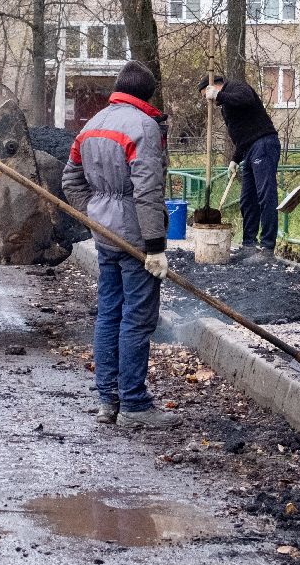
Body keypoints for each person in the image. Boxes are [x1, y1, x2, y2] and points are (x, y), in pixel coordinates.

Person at [62, 61, 179, 429]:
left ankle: (107, 401)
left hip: (106, 235)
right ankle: (134, 404)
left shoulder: (93, 124)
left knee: (109, 312)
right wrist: (156, 245)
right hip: (135, 235)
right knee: (137, 317)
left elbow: (71, 180)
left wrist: (95, 215)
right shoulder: (142, 126)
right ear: (147, 93)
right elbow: (146, 190)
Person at [200, 74, 281, 256]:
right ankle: (249, 245)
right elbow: (242, 135)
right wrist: (235, 159)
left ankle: (267, 247)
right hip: (249, 149)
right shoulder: (226, 106)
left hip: (264, 144)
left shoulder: (235, 86)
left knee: (265, 195)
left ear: (213, 87)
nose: (206, 98)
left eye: (204, 93)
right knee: (247, 199)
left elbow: (245, 99)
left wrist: (219, 95)